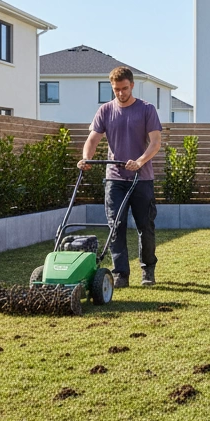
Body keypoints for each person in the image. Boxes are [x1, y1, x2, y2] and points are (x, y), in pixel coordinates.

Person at [78, 66, 163, 287]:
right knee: (116, 226)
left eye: (124, 88)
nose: (120, 93)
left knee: (145, 227)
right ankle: (120, 274)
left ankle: (148, 270)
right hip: (115, 178)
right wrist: (86, 158)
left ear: (132, 85)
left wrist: (140, 161)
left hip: (141, 178)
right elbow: (92, 139)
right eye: (116, 89)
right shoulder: (105, 110)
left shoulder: (146, 109)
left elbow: (155, 143)